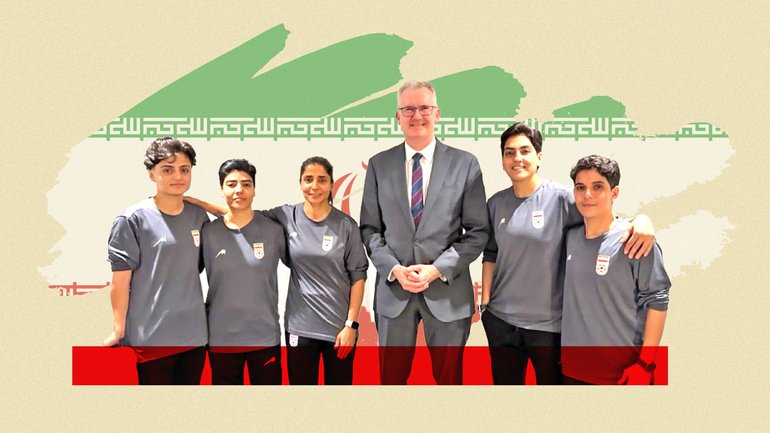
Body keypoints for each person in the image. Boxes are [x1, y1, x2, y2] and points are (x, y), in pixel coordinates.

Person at [480, 123, 656, 385]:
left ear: (539, 157)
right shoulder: (495, 203)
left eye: (525, 151)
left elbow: (603, 215)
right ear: (503, 160)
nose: (517, 158)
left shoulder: (563, 198)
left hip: (550, 328)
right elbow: (491, 254)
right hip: (501, 323)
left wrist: (642, 220)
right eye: (509, 152)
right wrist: (485, 303)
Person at [186, 156, 368, 385]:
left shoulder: (345, 225)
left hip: (338, 329)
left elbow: (358, 275)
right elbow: (240, 214)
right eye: (308, 179)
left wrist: (351, 324)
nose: (315, 186)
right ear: (300, 183)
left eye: (322, 180)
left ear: (331, 184)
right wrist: (198, 203)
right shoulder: (285, 216)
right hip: (298, 328)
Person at [359, 80, 489, 385]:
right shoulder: (380, 165)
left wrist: (436, 269)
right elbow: (369, 229)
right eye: (408, 109)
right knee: (391, 381)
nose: (417, 115)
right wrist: (393, 268)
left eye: (424, 108)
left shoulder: (465, 164)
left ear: (438, 113)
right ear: (398, 117)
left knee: (448, 382)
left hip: (448, 292)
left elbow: (478, 231)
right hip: (394, 293)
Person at [104, 137, 209, 385]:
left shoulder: (198, 216)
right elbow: (120, 281)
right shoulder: (131, 219)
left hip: (194, 336)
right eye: (167, 170)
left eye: (185, 170)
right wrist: (118, 329)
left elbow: (241, 221)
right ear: (152, 174)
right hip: (151, 337)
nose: (178, 176)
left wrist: (206, 204)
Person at [561, 155, 670, 385]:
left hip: (623, 375)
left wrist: (645, 364)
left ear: (615, 193)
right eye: (581, 188)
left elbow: (657, 301)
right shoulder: (569, 238)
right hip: (572, 372)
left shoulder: (635, 240)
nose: (587, 194)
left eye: (597, 187)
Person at [201, 159, 287, 385]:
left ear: (254, 190)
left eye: (246, 184)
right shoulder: (207, 233)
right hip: (221, 339)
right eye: (231, 184)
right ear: (221, 190)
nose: (239, 190)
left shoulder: (274, 231)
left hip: (264, 337)